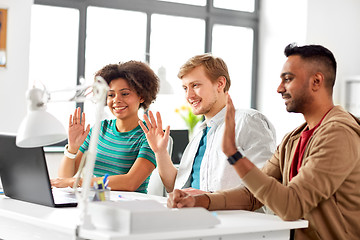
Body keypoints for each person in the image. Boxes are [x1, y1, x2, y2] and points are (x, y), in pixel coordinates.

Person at [167, 44, 360, 239]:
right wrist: (202, 201)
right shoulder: (292, 140)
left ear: (316, 81)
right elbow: (252, 195)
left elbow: (291, 205)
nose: (279, 88)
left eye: (288, 79)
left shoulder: (338, 134)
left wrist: (234, 155)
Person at [140, 53, 276, 195]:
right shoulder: (200, 135)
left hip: (231, 216)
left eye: (195, 85)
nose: (189, 95)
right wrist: (160, 152)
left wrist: (208, 199)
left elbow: (262, 186)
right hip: (196, 214)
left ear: (220, 84)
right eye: (185, 88)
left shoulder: (247, 121)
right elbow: (175, 187)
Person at [51, 61, 159, 193]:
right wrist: (73, 148)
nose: (116, 100)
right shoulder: (101, 128)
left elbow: (130, 183)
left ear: (141, 96)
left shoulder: (150, 135)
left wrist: (78, 182)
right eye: (111, 95)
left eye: (124, 94)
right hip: (98, 201)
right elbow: (64, 178)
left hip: (130, 206)